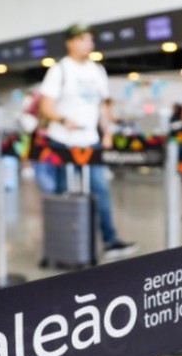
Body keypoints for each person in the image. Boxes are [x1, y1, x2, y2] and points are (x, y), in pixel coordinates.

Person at [39, 23, 138, 260]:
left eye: (91, 40)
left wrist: (106, 131)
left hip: (90, 141)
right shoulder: (59, 70)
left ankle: (110, 241)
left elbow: (102, 105)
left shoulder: (97, 71)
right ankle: (66, 246)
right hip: (63, 141)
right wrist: (62, 119)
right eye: (84, 39)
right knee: (65, 192)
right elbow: (46, 105)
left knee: (100, 190)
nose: (89, 44)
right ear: (70, 42)